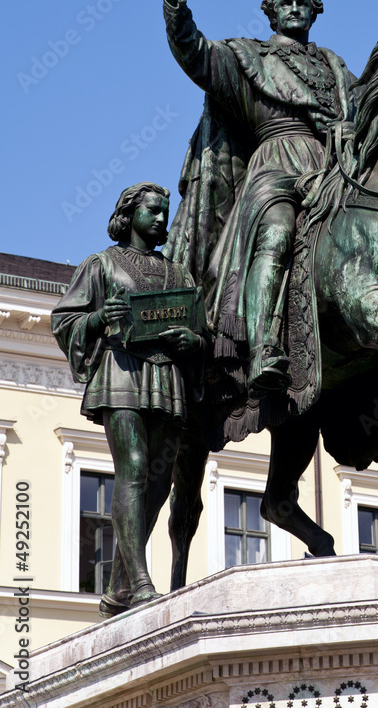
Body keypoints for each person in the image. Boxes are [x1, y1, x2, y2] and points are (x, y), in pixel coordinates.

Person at [162, 0, 357, 419]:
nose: (294, 9)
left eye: (302, 2)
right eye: (285, 2)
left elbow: (370, 109)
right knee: (277, 232)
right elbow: (195, 53)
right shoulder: (248, 58)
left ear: (315, 9)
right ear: (271, 11)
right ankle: (264, 347)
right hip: (277, 167)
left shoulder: (335, 68)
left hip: (333, 168)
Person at [51, 182, 208, 615]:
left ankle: (119, 586)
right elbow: (65, 320)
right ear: (130, 214)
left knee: (158, 484)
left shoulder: (180, 275)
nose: (162, 219)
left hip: (167, 375)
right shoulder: (101, 264)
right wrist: (100, 318)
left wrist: (192, 340)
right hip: (121, 371)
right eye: (153, 211)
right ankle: (139, 581)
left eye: (165, 212)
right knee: (134, 468)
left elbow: (203, 335)